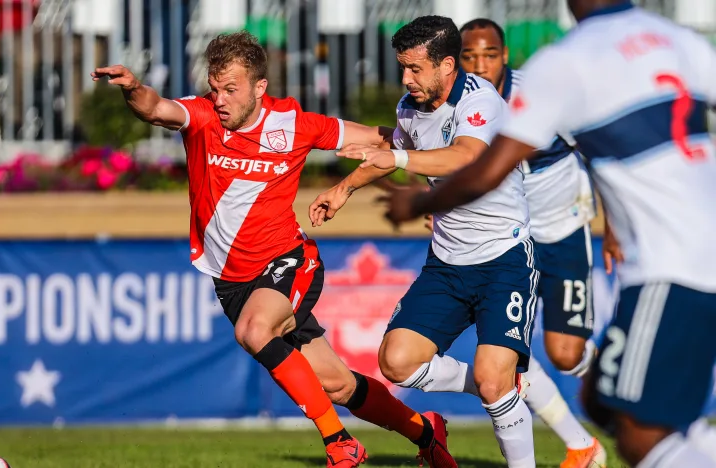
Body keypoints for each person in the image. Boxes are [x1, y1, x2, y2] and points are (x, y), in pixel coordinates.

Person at [92, 31, 455, 468]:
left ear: (259, 87)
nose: (220, 99)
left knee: (254, 331)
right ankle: (427, 432)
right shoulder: (201, 116)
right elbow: (155, 108)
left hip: (289, 259)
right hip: (231, 281)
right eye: (215, 88)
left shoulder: (295, 124)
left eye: (231, 89)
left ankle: (340, 444)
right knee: (337, 385)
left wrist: (434, 173)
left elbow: (389, 137)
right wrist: (134, 88)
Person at [378, 2, 716, 467]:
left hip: (666, 255)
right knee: (603, 398)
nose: (481, 65)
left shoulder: (561, 65)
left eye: (489, 54)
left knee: (635, 429)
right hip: (670, 250)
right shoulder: (677, 39)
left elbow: (482, 168)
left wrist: (417, 202)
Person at [311, 16, 538, 467]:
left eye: (415, 68)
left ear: (447, 65)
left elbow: (466, 156)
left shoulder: (481, 101)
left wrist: (395, 155)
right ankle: (496, 383)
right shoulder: (409, 107)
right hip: (447, 264)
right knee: (397, 362)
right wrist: (345, 188)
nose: (405, 78)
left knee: (496, 382)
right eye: (402, 67)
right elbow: (392, 151)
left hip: (503, 257)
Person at [457, 18, 607, 468]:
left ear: (505, 56)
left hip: (560, 227)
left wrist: (615, 227)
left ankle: (629, 385)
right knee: (506, 353)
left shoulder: (537, 94)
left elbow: (596, 150)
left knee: (566, 354)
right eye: (469, 56)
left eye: (488, 55)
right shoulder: (456, 102)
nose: (480, 65)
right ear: (457, 60)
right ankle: (583, 447)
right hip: (505, 239)